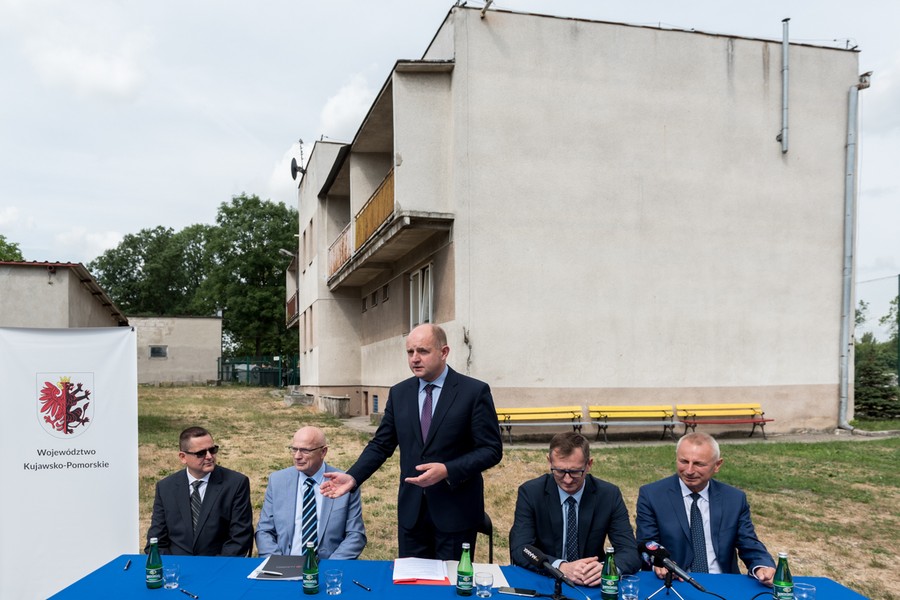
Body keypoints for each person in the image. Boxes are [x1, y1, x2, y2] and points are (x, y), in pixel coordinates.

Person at [320, 323, 503, 560]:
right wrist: (353, 476)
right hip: (412, 514)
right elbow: (381, 444)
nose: (415, 359)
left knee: (449, 590)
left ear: (444, 352)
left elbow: (491, 449)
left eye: (423, 351)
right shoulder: (399, 393)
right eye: (410, 352)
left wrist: (448, 470)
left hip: (456, 512)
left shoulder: (473, 392)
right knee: (411, 588)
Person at [635, 432, 776, 584]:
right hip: (675, 581)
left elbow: (748, 542)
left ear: (717, 465)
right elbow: (646, 542)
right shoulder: (652, 495)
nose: (689, 470)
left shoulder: (734, 499)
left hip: (722, 583)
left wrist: (762, 565)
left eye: (698, 464)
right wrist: (660, 561)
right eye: (683, 461)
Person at [509, 432, 641, 584]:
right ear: (549, 462)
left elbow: (629, 552)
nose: (567, 479)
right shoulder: (531, 493)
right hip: (544, 580)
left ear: (589, 464)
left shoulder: (608, 495)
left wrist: (606, 569)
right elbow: (520, 548)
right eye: (559, 471)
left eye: (575, 472)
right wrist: (561, 567)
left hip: (591, 583)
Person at [255, 426, 367, 559]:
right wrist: (278, 563)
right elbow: (264, 531)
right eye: (294, 449)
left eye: (305, 451)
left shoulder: (344, 483)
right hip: (284, 564)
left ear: (323, 452)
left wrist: (330, 567)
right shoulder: (278, 481)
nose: (297, 456)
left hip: (327, 567)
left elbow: (355, 535)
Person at [146, 426, 253, 556]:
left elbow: (239, 538)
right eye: (201, 453)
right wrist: (171, 569)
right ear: (183, 457)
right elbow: (157, 540)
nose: (209, 456)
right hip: (178, 568)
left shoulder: (235, 483)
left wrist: (213, 569)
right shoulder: (166, 487)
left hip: (218, 567)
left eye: (212, 450)